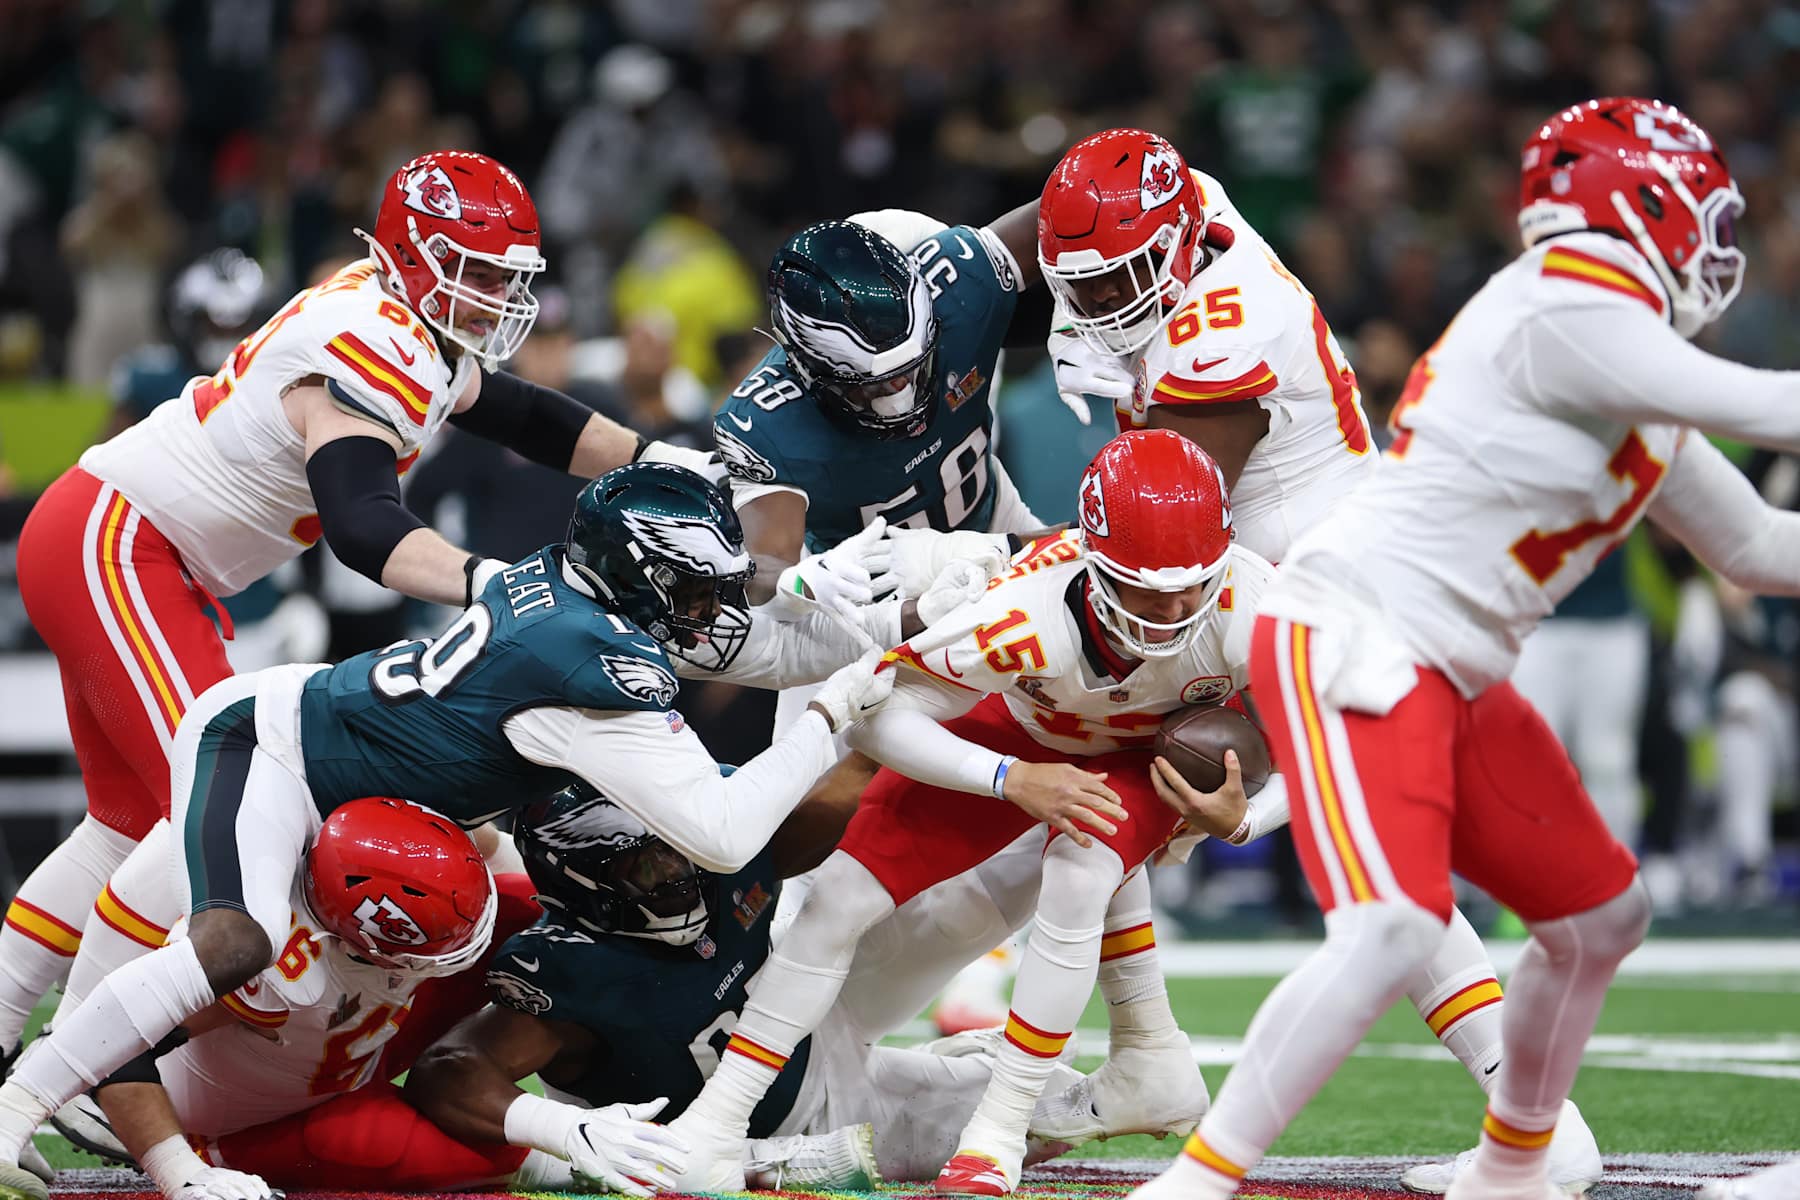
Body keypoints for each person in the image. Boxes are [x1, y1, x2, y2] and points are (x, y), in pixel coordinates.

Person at [1126, 96, 1800, 1200]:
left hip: (1446, 665)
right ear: (1640, 202)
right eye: (1698, 212)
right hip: (1358, 632)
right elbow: (1772, 405)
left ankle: (1514, 1163)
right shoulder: (1567, 307)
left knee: (1599, 918)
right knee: (1392, 925)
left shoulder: (1619, 364)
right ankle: (1192, 1187)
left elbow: (1763, 544)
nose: (1714, 245)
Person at [0, 463, 896, 1200]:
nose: (711, 610)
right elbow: (727, 833)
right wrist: (824, 721)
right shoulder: (593, 666)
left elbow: (718, 629)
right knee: (238, 938)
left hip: (353, 790)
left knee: (490, 923)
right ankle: (19, 1105)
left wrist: (810, 586)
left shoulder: (571, 586)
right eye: (696, 590)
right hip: (268, 746)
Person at [2, 149, 721, 1067]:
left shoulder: (408, 322)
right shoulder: (375, 335)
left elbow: (530, 416)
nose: (501, 295)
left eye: (511, 275)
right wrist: (493, 584)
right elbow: (365, 526)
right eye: (483, 271)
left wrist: (662, 461)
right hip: (122, 546)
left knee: (126, 828)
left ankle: (34, 1050)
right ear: (418, 255)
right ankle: (97, 1071)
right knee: (214, 825)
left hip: (141, 555)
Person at [1038, 128, 1597, 1193]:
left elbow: (1162, 518)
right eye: (1086, 281)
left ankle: (1153, 1083)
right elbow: (1088, 235)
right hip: (1285, 568)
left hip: (1308, 584)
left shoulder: (1221, 330)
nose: (1099, 301)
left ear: (1170, 249)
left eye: (1119, 278)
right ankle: (1538, 1130)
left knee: (1354, 863)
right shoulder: (1187, 203)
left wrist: (1246, 815)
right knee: (1389, 880)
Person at [660, 430, 1287, 1195]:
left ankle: (995, 1132)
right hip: (1018, 730)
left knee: (1082, 864)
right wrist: (1008, 778)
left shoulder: (1257, 605)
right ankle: (717, 1122)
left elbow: (1338, 747)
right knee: (840, 897)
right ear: (1094, 562)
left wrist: (1245, 820)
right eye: (1147, 586)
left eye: (1194, 582)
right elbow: (878, 718)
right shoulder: (1022, 610)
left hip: (1134, 755)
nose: (1175, 606)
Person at [406, 782, 1087, 1187]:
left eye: (672, 847)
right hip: (806, 1113)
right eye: (646, 870)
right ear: (581, 888)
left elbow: (837, 801)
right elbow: (447, 1072)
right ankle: (904, 1088)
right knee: (1056, 1107)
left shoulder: (709, 852)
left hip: (812, 991)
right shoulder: (566, 973)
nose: (675, 875)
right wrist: (563, 1130)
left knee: (1021, 864)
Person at [56, 797, 572, 1200]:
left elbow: (474, 838)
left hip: (353, 1031)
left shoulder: (363, 824)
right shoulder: (257, 953)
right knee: (465, 1156)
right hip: (263, 1112)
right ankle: (217, 1154)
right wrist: (179, 1171)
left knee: (535, 907)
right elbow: (113, 1052)